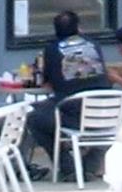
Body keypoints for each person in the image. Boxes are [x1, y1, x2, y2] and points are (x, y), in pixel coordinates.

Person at [27, 10, 109, 173]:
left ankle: (67, 167)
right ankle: (89, 167)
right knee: (99, 130)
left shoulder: (51, 50)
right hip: (105, 112)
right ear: (79, 28)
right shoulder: (94, 44)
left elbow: (47, 83)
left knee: (34, 118)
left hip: (73, 116)